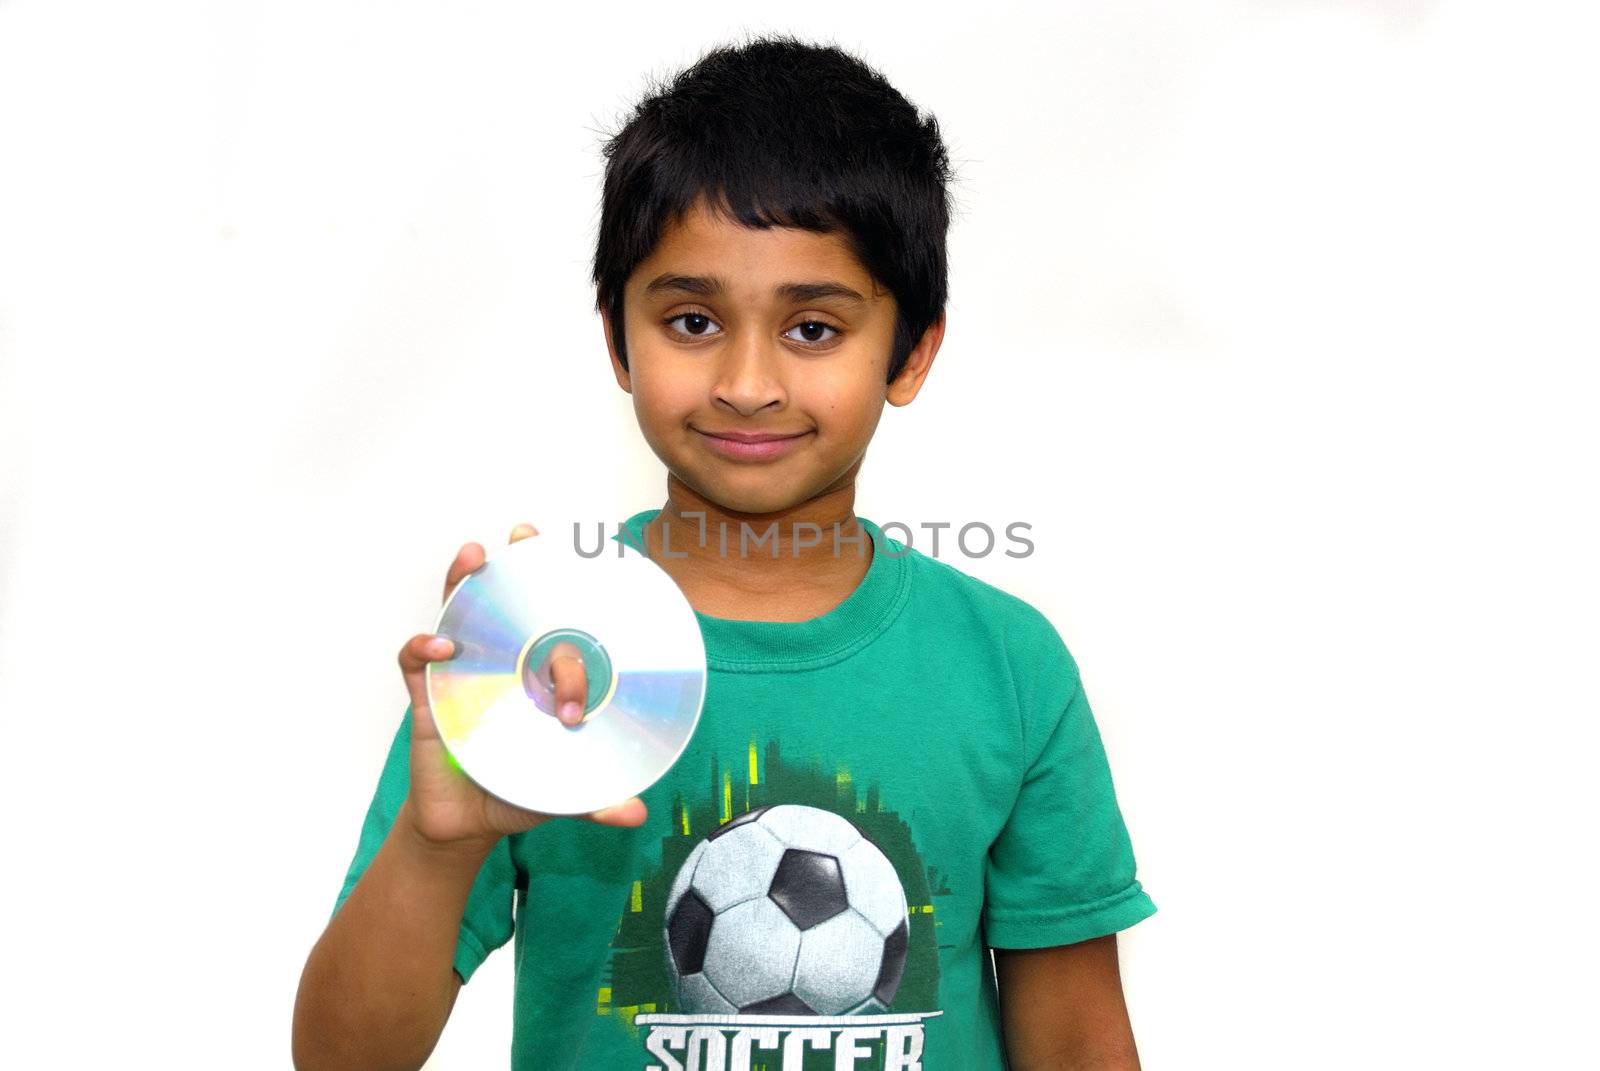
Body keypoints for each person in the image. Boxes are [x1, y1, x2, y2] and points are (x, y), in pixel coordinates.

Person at [292, 32, 1155, 1071]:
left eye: (813, 330)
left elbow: (1075, 1040)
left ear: (911, 351)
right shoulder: (542, 656)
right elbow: (341, 1059)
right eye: (693, 320)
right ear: (617, 338)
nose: (747, 382)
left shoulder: (1006, 666)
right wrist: (439, 849)